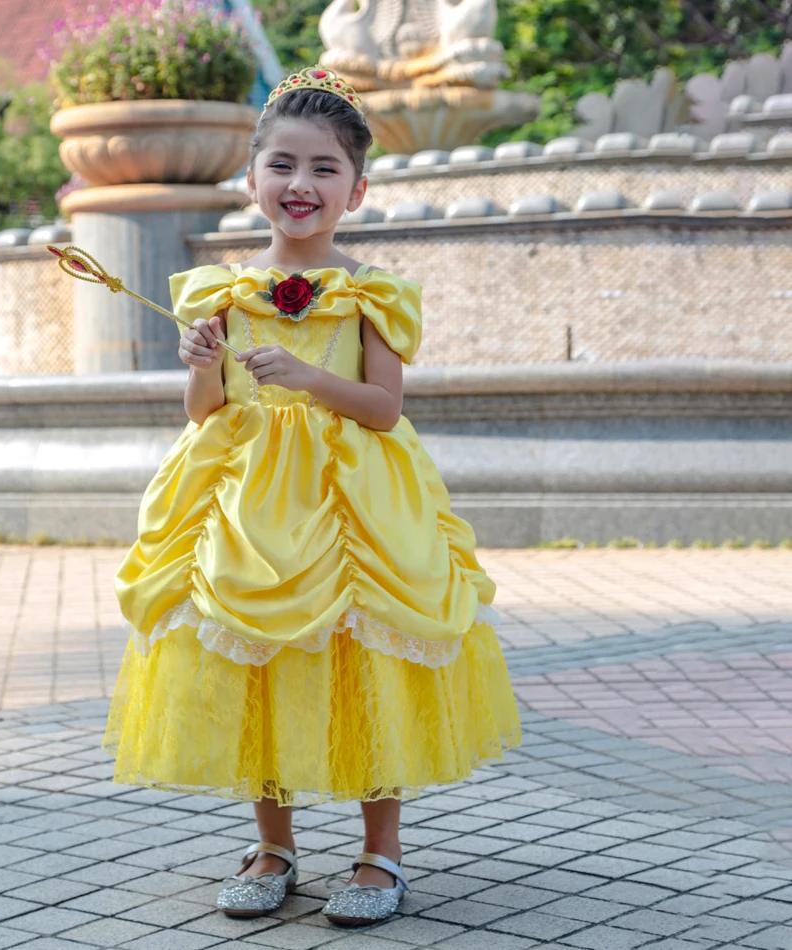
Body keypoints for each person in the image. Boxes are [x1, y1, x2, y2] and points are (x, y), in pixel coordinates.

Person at [104, 66, 521, 927]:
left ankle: (380, 851)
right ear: (251, 180)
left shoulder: (368, 293)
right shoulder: (222, 291)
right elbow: (208, 411)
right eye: (283, 166)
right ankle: (273, 843)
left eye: (325, 168)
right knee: (254, 657)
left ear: (357, 190)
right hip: (250, 502)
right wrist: (201, 368)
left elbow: (383, 407)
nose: (302, 184)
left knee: (366, 656)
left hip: (352, 501)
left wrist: (302, 375)